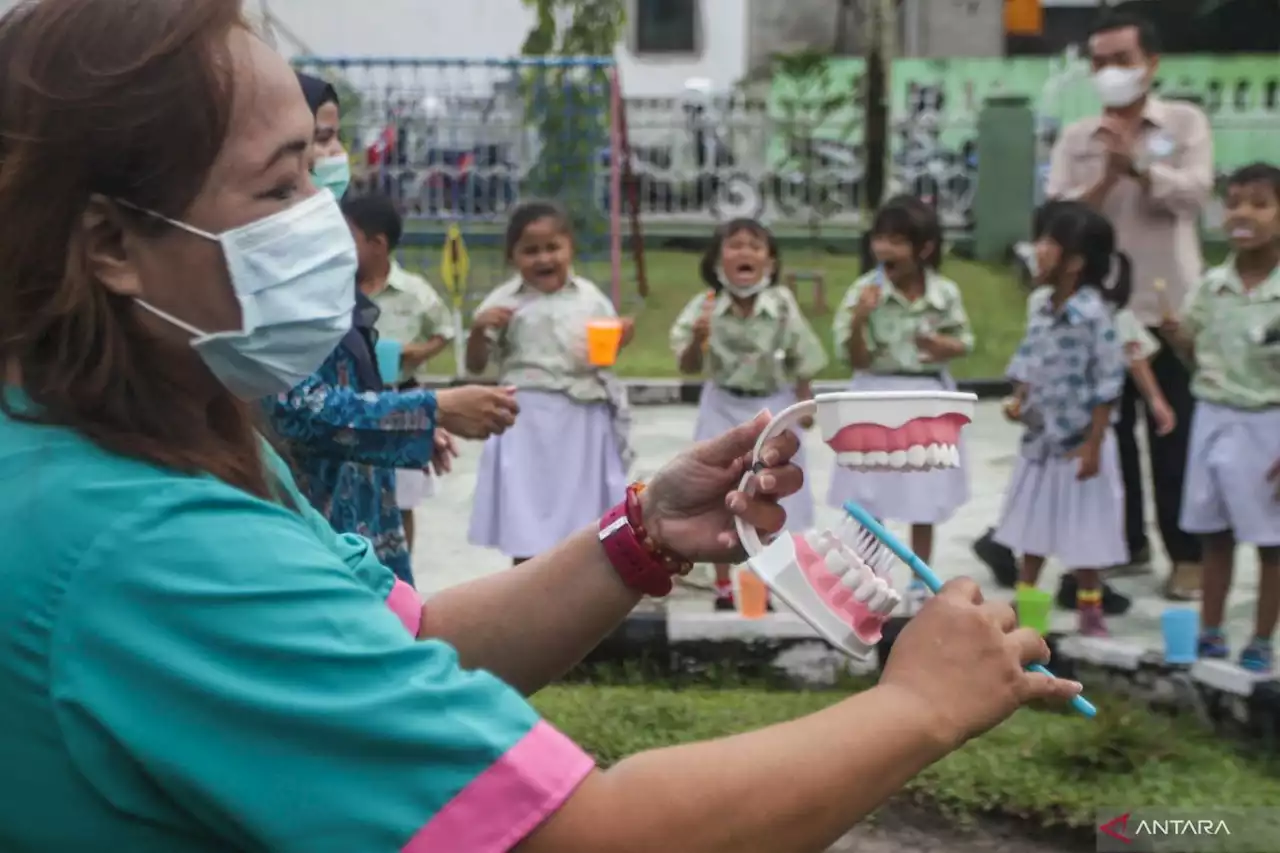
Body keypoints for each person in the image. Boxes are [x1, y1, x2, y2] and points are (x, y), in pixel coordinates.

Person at [0, 2, 1086, 848]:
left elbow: (399, 642)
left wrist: (641, 539)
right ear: (110, 242)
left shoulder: (138, 426)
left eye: (321, 168)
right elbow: (581, 836)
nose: (326, 224)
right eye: (279, 186)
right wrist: (920, 706)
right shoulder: (147, 548)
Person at [268, 72, 515, 584]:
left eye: (336, 135)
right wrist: (431, 409)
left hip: (363, 508)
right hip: (310, 514)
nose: (336, 152)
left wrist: (409, 421)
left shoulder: (323, 256)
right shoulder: (270, 263)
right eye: (320, 138)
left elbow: (347, 383)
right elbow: (293, 407)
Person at [1044, 12, 1213, 600]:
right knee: (1109, 437)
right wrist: (1106, 177)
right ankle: (1126, 543)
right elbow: (1060, 220)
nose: (1109, 73)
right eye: (1099, 63)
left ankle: (1186, 554)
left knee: (1175, 436)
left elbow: (1195, 193)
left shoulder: (1184, 123)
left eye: (1121, 60)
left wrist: (1139, 168)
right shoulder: (1077, 138)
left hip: (1168, 310)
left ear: (1151, 63)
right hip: (1099, 316)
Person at [670, 218, 828, 610]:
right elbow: (688, 365)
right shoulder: (705, 306)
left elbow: (801, 355)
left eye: (754, 246)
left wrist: (805, 406)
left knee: (772, 489)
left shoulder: (781, 304)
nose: (744, 253)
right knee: (721, 490)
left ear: (770, 262)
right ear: (717, 259)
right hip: (722, 403)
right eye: (734, 245)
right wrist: (697, 338)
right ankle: (724, 584)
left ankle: (770, 581)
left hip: (770, 406)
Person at [466, 201, 636, 565]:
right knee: (526, 513)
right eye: (530, 251)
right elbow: (476, 365)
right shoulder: (503, 302)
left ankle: (581, 600)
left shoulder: (589, 298)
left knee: (582, 517)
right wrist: (479, 329)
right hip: (525, 421)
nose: (543, 259)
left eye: (552, 248)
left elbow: (604, 352)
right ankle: (529, 591)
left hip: (581, 418)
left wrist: (622, 336)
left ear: (569, 248)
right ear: (513, 257)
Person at [1162, 163, 1280, 673]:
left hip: (1267, 423)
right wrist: (1175, 336)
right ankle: (1210, 629)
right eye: (1233, 202)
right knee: (1213, 531)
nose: (1242, 214)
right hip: (1212, 418)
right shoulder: (1210, 286)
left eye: (1258, 203)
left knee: (1272, 540)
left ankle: (1260, 637)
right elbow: (1197, 351)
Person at [994, 202, 1130, 637]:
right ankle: (1026, 605)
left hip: (1078, 441)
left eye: (1048, 243)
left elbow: (1108, 382)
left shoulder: (1095, 315)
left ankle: (1090, 606)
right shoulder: (1039, 304)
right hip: (1041, 440)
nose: (1037, 250)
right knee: (1032, 527)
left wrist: (1093, 443)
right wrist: (1020, 398)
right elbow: (1029, 359)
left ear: (1074, 262)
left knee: (1084, 530)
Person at [827, 195, 972, 567]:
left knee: (923, 489)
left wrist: (941, 345)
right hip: (874, 393)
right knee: (870, 491)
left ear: (924, 248)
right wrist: (860, 319)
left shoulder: (944, 293)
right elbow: (855, 359)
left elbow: (964, 343)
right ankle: (870, 575)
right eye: (879, 238)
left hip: (927, 396)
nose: (883, 248)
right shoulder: (864, 292)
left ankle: (921, 578)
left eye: (896, 241)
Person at [343, 192, 456, 554]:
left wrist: (417, 353)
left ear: (378, 244)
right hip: (355, 398)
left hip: (400, 392)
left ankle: (400, 561)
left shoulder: (414, 291)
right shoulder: (339, 288)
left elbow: (445, 331)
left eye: (347, 237)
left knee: (403, 495)